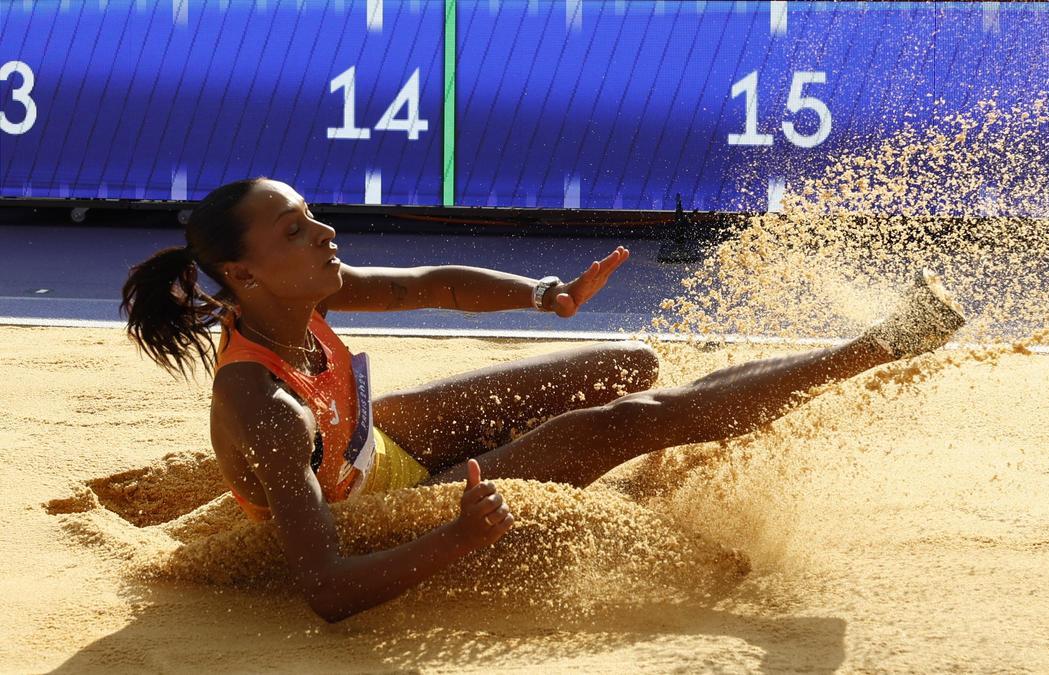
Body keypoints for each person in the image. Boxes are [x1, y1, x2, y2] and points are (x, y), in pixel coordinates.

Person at [121, 177, 965, 623]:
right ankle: (882, 345)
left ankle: (711, 417)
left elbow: (438, 283)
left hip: (380, 450)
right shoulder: (266, 406)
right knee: (637, 419)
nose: (326, 234)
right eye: (297, 231)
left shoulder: (305, 298)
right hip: (400, 509)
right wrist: (456, 535)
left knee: (626, 363)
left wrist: (546, 293)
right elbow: (327, 587)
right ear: (243, 273)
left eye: (313, 216)